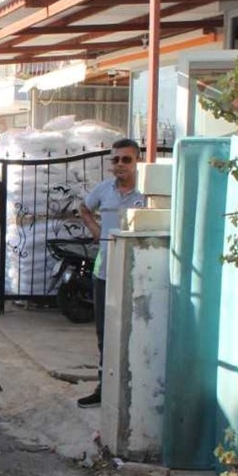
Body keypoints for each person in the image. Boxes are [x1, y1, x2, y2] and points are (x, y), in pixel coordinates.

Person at [76, 138, 144, 409]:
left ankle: (132, 388)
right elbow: (83, 208)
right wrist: (96, 231)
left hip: (136, 272)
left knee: (135, 329)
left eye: (126, 160)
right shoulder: (104, 190)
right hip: (105, 271)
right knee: (105, 333)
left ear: (137, 161)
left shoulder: (146, 193)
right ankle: (104, 388)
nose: (120, 165)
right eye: (115, 160)